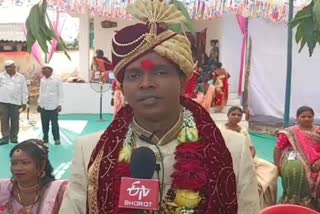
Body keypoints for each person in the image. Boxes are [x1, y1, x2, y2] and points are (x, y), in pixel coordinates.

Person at [59, 0, 260, 213]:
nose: (146, 83)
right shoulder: (90, 150)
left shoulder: (232, 150)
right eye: (134, 75)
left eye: (160, 72)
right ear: (123, 87)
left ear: (183, 82)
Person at [222, 106, 278, 209]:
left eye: (239, 115)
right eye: (233, 114)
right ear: (228, 115)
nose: (236, 117)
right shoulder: (221, 130)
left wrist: (249, 159)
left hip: (247, 158)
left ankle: (265, 205)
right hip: (228, 159)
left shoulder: (243, 130)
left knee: (272, 169)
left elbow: (251, 148)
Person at [0, 139, 68, 213]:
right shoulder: (3, 188)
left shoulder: (60, 191)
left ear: (42, 165)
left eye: (25, 163)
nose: (17, 168)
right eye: (14, 163)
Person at [274, 106, 320, 211]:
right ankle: (292, 200)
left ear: (313, 117)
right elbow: (278, 148)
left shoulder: (318, 131)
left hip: (317, 157)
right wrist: (277, 166)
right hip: (294, 152)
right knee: (294, 167)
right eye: (303, 116)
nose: (306, 119)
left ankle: (313, 203)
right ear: (297, 118)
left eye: (309, 116)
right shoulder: (290, 132)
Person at [0, 60, 28, 145]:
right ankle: (5, 138)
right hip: (3, 102)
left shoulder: (20, 77)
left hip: (16, 102)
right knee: (4, 120)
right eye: (6, 67)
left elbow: (24, 90)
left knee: (15, 120)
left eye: (10, 66)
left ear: (14, 67)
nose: (8, 68)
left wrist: (24, 102)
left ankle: (14, 137)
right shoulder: (1, 76)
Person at [37, 65, 63, 145]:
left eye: (45, 69)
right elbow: (41, 92)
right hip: (43, 105)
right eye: (42, 69)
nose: (43, 70)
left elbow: (61, 92)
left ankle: (56, 139)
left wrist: (60, 104)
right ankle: (45, 138)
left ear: (50, 70)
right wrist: (39, 103)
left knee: (54, 123)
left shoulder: (57, 80)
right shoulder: (42, 80)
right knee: (44, 123)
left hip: (53, 105)